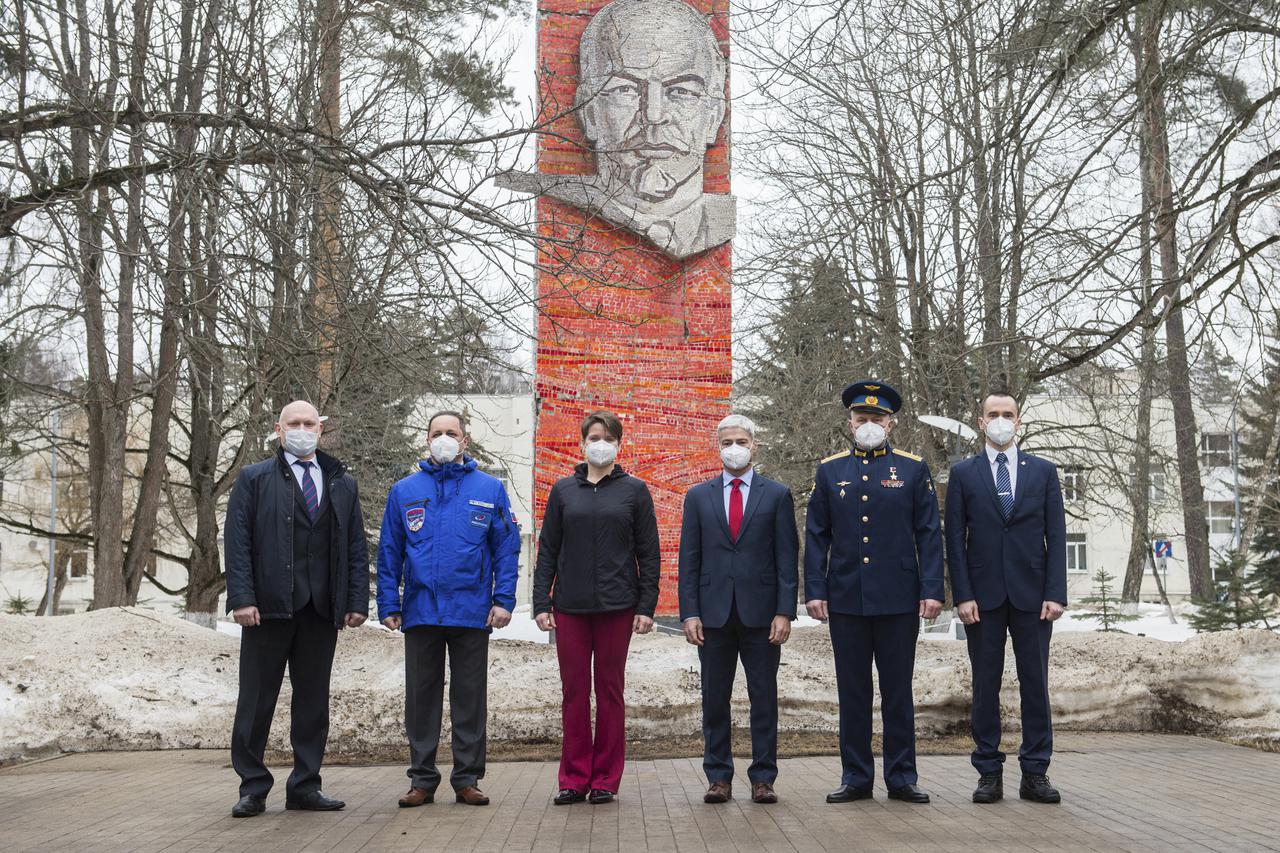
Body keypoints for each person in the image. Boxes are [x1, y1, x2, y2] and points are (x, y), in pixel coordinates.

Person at [496, 0, 734, 259]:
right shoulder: (543, 198)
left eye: (681, 92)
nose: (653, 115)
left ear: (713, 116)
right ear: (589, 113)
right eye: (625, 90)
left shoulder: (720, 223)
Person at [225, 400, 370, 818]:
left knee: (312, 702)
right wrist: (242, 598)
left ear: (320, 430)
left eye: (310, 423)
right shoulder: (253, 479)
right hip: (267, 608)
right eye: (295, 423)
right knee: (256, 701)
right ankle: (253, 786)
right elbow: (237, 544)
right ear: (279, 428)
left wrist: (355, 600)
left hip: (320, 610)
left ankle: (305, 785)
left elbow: (355, 547)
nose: (303, 429)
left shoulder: (342, 482)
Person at [804, 380, 944, 805]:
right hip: (846, 597)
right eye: (861, 419)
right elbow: (816, 535)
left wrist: (932, 589)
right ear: (850, 424)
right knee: (853, 690)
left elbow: (929, 534)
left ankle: (901, 777)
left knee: (898, 690)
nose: (869, 425)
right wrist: (815, 589)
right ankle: (856, 776)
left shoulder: (912, 468)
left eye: (876, 419)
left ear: (891, 423)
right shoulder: (831, 471)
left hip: (899, 598)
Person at [377, 410, 521, 808]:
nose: (444, 438)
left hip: (472, 612)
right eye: (437, 433)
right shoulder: (405, 491)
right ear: (427, 440)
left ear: (464, 441)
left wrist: (503, 600)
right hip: (421, 611)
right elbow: (389, 551)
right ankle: (422, 780)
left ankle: (467, 779)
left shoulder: (489, 489)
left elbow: (506, 549)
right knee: (421, 700)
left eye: (451, 433)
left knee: (469, 699)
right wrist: (388, 602)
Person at [944, 392, 1067, 805]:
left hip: (1034, 598)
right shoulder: (963, 473)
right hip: (983, 598)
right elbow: (954, 541)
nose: (1000, 420)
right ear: (981, 422)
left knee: (1036, 686)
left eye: (1007, 414)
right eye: (993, 414)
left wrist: (1055, 593)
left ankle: (1035, 772)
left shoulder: (1044, 473)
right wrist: (962, 595)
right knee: (985, 686)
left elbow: (1057, 536)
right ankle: (988, 772)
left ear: (1019, 421)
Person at [534, 410, 661, 805]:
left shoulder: (635, 491)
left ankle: (605, 778)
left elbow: (649, 553)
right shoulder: (562, 492)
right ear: (582, 443)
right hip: (570, 608)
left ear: (619, 444)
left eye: (606, 437)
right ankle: (573, 777)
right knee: (574, 693)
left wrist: (646, 605)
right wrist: (542, 601)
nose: (599, 443)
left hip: (617, 607)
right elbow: (548, 550)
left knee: (610, 692)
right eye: (592, 436)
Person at [678, 414, 799, 805]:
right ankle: (719, 777)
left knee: (763, 697)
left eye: (741, 441)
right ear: (718, 446)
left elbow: (786, 558)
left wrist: (785, 611)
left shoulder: (777, 494)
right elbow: (689, 559)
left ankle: (763, 777)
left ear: (754, 445)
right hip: (712, 615)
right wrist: (689, 612)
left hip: (762, 615)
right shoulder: (698, 497)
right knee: (715, 699)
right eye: (727, 441)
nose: (734, 448)